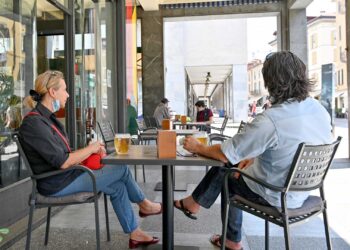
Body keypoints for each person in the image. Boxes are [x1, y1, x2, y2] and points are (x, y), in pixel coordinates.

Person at [174, 51, 333, 250]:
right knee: (236, 162)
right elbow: (290, 144)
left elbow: (226, 153)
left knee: (227, 172)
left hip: (276, 195)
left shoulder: (271, 119)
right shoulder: (318, 109)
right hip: (304, 190)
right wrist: (254, 156)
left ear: (270, 81)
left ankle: (228, 236)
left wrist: (198, 147)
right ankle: (194, 204)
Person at [19, 70, 161, 249]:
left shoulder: (47, 120)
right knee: (121, 169)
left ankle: (135, 233)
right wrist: (91, 148)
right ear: (52, 92)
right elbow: (63, 161)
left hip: (66, 176)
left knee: (117, 187)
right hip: (56, 183)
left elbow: (63, 155)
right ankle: (144, 204)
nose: (68, 94)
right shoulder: (34, 123)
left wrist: (89, 151)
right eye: (65, 89)